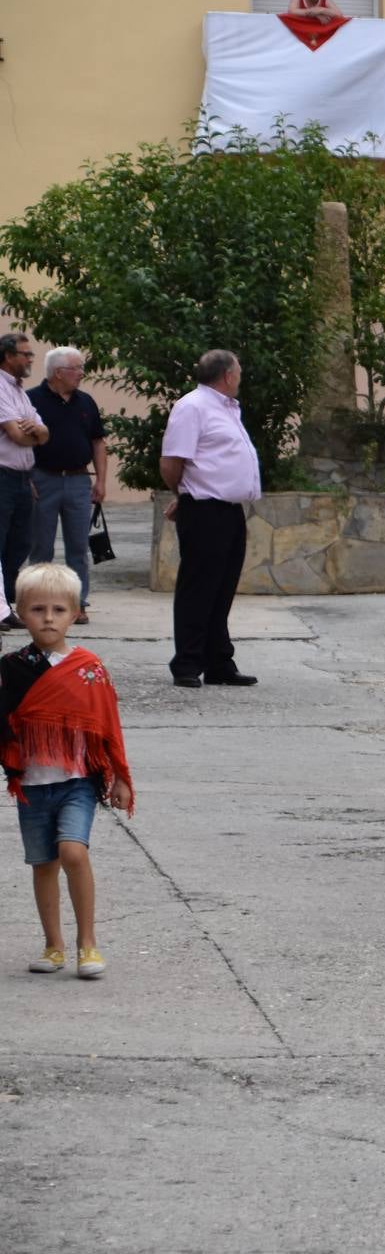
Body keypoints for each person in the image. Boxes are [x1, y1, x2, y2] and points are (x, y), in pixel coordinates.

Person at [6, 561, 135, 980]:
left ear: (76, 612)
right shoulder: (10, 669)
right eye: (37, 609)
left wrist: (118, 776)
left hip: (78, 781)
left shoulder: (88, 667)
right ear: (19, 612)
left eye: (59, 610)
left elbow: (106, 726)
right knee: (43, 865)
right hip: (32, 785)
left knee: (72, 852)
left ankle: (88, 943)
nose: (48, 618)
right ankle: (54, 946)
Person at [158, 350, 261, 688]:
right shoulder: (193, 407)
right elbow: (172, 462)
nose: (241, 377)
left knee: (223, 588)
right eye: (239, 371)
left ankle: (219, 661)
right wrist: (185, 494)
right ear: (228, 375)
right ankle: (187, 662)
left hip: (229, 510)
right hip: (204, 509)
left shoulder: (226, 408)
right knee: (199, 588)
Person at [25, 349, 107, 621]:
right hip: (43, 479)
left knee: (78, 547)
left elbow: (98, 442)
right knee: (41, 546)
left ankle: (78, 603)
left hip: (78, 479)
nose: (82, 373)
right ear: (58, 372)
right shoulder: (31, 400)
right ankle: (37, 603)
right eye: (77, 368)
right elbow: (18, 443)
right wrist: (28, 478)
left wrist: (101, 480)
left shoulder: (86, 402)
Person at [0, 335, 49, 626]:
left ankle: (5, 606)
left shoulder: (19, 391)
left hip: (22, 478)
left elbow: (45, 434)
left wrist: (36, 432)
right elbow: (18, 435)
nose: (31, 359)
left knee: (19, 544)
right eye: (26, 354)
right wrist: (35, 433)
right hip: (3, 475)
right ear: (7, 356)